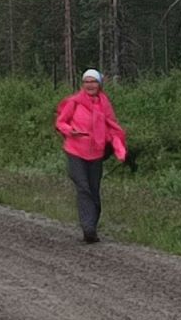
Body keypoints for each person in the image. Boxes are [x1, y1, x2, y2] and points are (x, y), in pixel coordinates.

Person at [54, 68, 128, 244]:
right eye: (86, 82)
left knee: (94, 190)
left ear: (99, 84)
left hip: (96, 153)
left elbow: (113, 128)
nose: (90, 85)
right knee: (83, 187)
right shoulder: (74, 102)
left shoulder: (104, 104)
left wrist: (120, 150)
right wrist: (70, 130)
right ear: (82, 84)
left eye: (93, 82)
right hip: (75, 151)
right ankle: (88, 228)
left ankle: (92, 228)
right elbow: (61, 122)